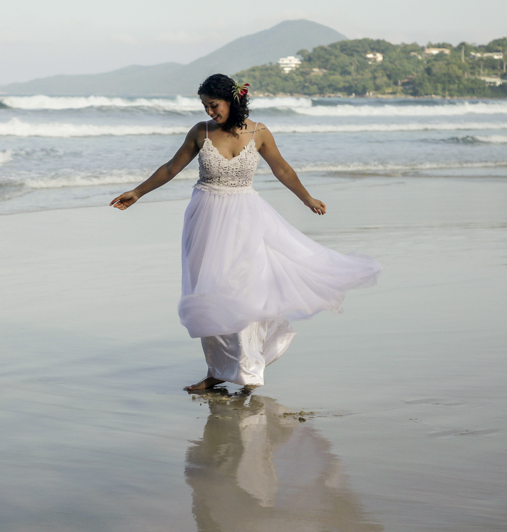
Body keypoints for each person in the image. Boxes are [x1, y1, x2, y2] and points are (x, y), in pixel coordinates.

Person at [111, 74, 381, 391]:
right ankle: (217, 370)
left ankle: (249, 370)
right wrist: (138, 192)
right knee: (209, 294)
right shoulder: (201, 132)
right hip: (205, 219)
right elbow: (172, 167)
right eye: (205, 106)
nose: (210, 112)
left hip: (246, 219)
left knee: (244, 293)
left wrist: (306, 198)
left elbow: (282, 168)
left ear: (232, 100)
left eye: (213, 105)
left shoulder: (260, 132)